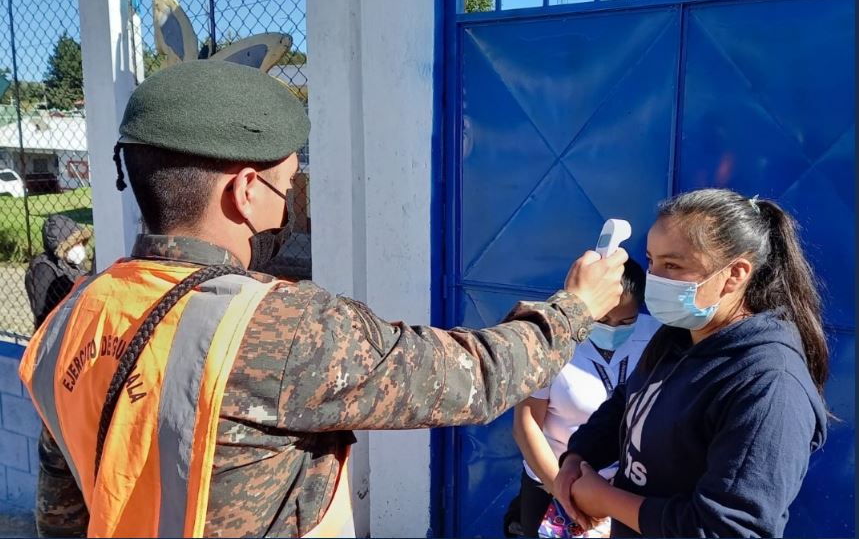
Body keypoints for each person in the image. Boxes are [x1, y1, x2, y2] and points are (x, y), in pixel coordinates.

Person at [18, 59, 629, 538]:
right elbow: (475, 378)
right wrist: (575, 308)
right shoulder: (277, 327)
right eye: (287, 186)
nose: (289, 205)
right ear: (246, 191)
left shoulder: (71, 316)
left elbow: (64, 512)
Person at [553, 189, 828, 538]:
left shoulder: (770, 385)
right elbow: (633, 399)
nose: (654, 279)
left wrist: (606, 499)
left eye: (673, 265)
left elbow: (726, 529)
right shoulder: (680, 335)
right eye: (651, 261)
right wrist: (577, 457)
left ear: (735, 274)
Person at [507, 259, 659, 537]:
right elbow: (526, 425)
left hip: (625, 487)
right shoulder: (551, 339)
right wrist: (564, 492)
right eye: (602, 321)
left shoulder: (658, 336)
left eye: (626, 321)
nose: (612, 329)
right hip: (550, 479)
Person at [24, 214, 91, 330]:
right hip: (56, 331)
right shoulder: (44, 267)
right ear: (63, 245)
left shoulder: (72, 265)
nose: (81, 247)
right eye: (76, 243)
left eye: (81, 243)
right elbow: (43, 313)